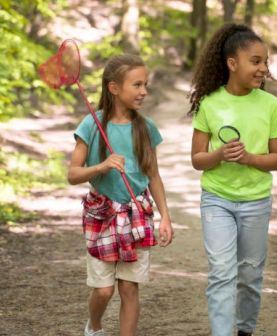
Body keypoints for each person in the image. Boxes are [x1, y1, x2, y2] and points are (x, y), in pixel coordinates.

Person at [188, 23, 277, 336]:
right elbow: (197, 159)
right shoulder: (210, 103)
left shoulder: (271, 105)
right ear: (233, 64)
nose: (262, 69)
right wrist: (219, 155)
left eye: (264, 62)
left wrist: (248, 159)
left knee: (249, 274)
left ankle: (245, 329)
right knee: (221, 272)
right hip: (217, 199)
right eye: (256, 61)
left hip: (256, 202)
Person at [68, 54, 173, 336]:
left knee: (129, 287)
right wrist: (101, 166)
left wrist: (165, 217)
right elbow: (72, 175)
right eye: (136, 85)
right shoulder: (91, 125)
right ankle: (95, 326)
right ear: (114, 88)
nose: (144, 91)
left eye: (145, 84)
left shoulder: (146, 127)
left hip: (137, 213)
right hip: (101, 215)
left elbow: (153, 176)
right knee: (103, 290)